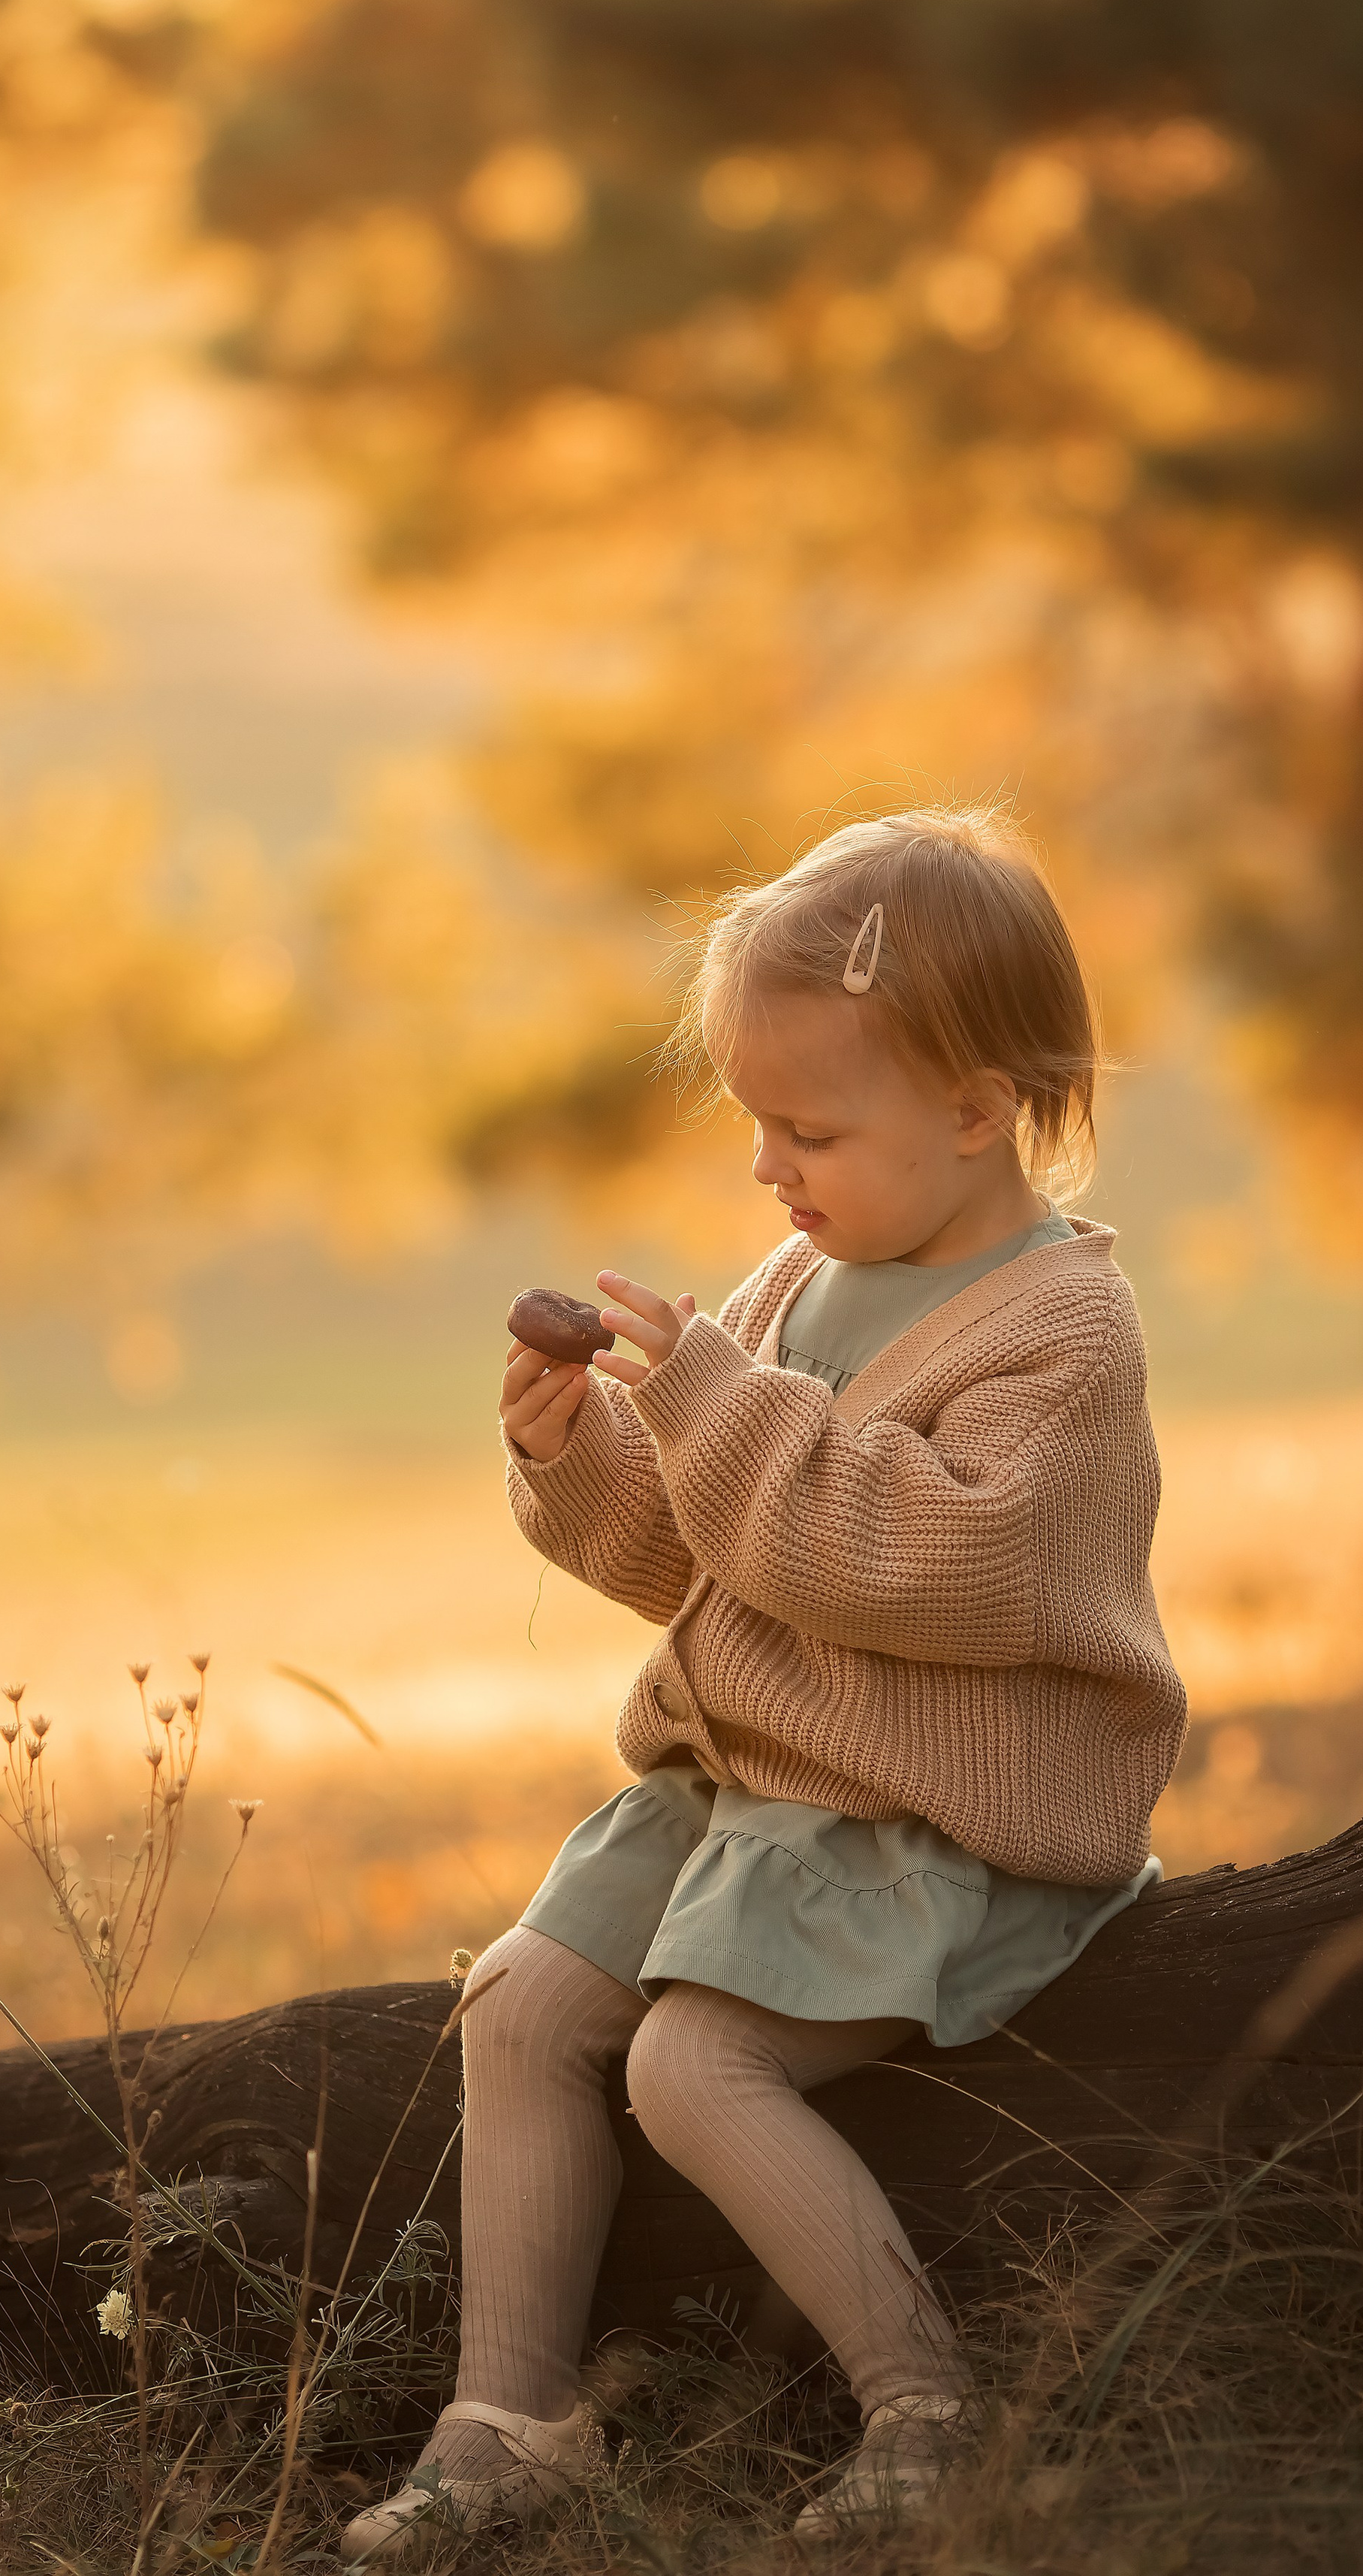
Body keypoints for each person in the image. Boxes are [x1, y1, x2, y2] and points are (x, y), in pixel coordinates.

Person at [342, 808, 1187, 2558]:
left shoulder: (1055, 1334)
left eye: (806, 1127)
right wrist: (581, 1457)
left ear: (973, 1111)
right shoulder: (806, 1281)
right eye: (751, 1121)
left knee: (689, 2068)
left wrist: (717, 1404)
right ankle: (510, 2415)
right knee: (515, 2002)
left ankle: (928, 2407)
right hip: (755, 1785)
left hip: (930, 1814)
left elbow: (923, 1569)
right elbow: (704, 1550)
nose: (763, 1169)